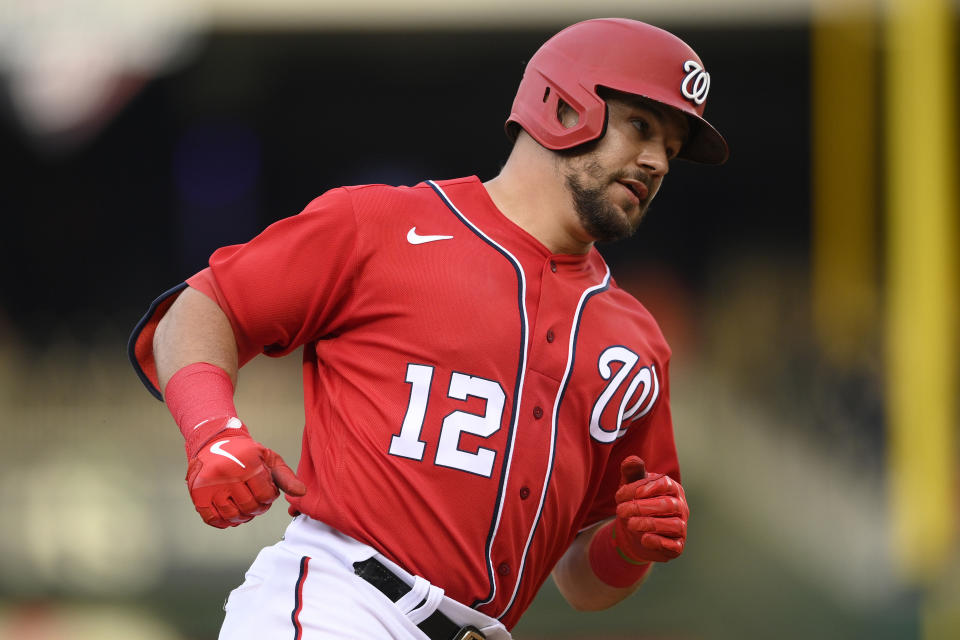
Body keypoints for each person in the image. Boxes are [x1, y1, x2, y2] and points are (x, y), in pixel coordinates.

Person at [128, 17, 727, 640]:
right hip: (343, 603)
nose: (657, 160)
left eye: (673, 148)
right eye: (640, 126)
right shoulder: (383, 226)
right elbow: (201, 309)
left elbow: (581, 583)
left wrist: (628, 548)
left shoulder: (637, 344)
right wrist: (211, 432)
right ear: (563, 104)